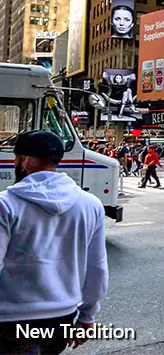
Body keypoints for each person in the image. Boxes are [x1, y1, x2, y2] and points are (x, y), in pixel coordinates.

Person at [0, 131, 108, 354]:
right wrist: (87, 317)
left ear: (25, 160)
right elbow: (97, 268)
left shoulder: (6, 205)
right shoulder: (91, 204)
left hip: (10, 320)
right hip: (62, 319)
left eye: (16, 158)